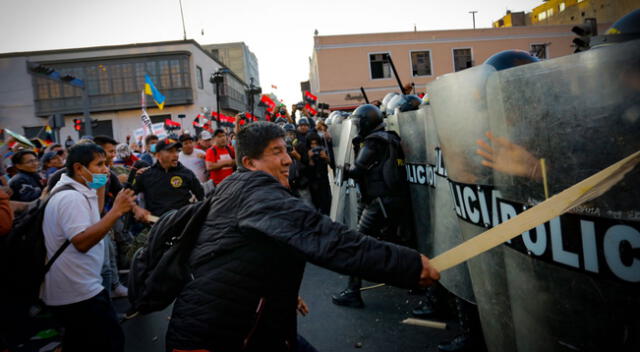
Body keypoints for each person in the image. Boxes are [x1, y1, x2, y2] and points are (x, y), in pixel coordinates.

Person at [165, 122, 440, 352]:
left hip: (253, 323)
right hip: (214, 337)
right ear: (249, 162)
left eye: (286, 149)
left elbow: (237, 252)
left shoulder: (238, 186)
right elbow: (326, 237)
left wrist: (280, 292)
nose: (287, 159)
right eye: (276, 152)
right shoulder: (258, 194)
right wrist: (407, 265)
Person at [42, 143, 136, 352]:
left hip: (81, 287)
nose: (106, 170)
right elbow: (82, 241)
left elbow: (95, 216)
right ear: (78, 168)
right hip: (77, 291)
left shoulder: (79, 190)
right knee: (110, 343)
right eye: (100, 164)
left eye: (107, 164)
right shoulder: (70, 198)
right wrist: (117, 211)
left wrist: (100, 184)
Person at [332, 104, 414, 308]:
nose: (358, 127)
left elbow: (357, 170)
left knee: (357, 244)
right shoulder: (389, 137)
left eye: (359, 123)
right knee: (398, 241)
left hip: (379, 202)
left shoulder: (373, 142)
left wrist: (343, 168)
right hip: (393, 199)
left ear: (367, 123)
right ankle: (417, 281)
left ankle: (353, 292)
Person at [134, 138, 204, 217]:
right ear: (158, 155)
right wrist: (136, 209)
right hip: (158, 225)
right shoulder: (145, 174)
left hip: (185, 223)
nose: (176, 155)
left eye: (177, 151)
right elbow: (126, 196)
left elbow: (202, 197)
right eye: (170, 151)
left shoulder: (186, 173)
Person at [305, 133, 332, 214]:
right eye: (312, 144)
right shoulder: (307, 151)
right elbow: (309, 167)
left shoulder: (323, 150)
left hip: (324, 180)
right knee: (315, 202)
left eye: (316, 144)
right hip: (313, 181)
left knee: (326, 202)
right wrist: (310, 158)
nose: (314, 146)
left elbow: (331, 165)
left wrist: (325, 157)